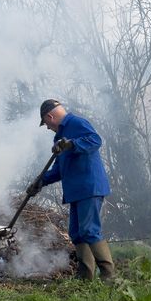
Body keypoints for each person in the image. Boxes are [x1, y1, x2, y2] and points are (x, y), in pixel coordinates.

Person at [26, 99, 115, 280]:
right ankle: (85, 277)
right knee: (76, 233)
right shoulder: (59, 137)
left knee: (89, 231)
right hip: (76, 191)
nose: (47, 127)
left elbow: (95, 140)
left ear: (50, 116)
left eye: (46, 123)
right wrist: (41, 181)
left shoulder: (76, 123)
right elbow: (59, 169)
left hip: (89, 187)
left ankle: (109, 277)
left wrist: (72, 144)